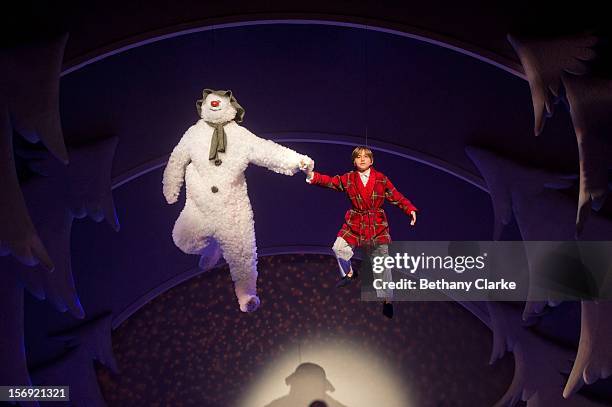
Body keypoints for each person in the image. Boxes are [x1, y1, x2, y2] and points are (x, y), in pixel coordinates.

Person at [301, 146, 417, 318]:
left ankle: (387, 300)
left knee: (382, 266)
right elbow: (330, 181)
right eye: (358, 157)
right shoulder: (349, 178)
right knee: (338, 247)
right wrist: (311, 175)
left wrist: (410, 209)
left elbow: (395, 195)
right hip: (355, 222)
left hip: (377, 225)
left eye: (366, 156)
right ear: (354, 161)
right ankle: (349, 273)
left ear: (372, 160)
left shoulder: (381, 179)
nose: (362, 159)